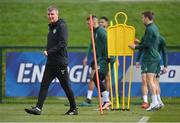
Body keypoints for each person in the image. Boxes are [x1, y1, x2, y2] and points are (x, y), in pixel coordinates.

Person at [24, 6, 78, 115]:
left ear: (57, 14)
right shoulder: (52, 27)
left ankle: (74, 109)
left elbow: (63, 43)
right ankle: (38, 109)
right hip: (51, 63)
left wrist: (49, 52)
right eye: (48, 14)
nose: (50, 16)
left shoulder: (62, 26)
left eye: (52, 14)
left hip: (60, 63)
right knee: (44, 84)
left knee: (66, 86)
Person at [129, 11, 161, 111]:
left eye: (143, 18)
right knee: (152, 81)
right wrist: (139, 42)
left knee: (149, 80)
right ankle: (157, 102)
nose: (142, 19)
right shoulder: (153, 27)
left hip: (150, 57)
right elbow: (148, 42)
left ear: (147, 18)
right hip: (154, 56)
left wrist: (136, 46)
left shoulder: (150, 29)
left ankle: (155, 102)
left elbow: (147, 45)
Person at [81, 16, 111, 107]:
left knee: (97, 78)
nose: (87, 26)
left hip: (105, 59)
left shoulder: (101, 31)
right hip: (99, 59)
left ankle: (106, 101)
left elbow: (109, 43)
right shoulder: (95, 32)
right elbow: (92, 44)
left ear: (93, 22)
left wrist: (107, 57)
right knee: (96, 78)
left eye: (88, 23)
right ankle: (104, 101)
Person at [136, 35, 168, 109]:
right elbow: (141, 48)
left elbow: (164, 52)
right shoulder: (145, 37)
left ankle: (158, 101)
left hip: (155, 61)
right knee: (144, 80)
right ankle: (145, 102)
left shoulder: (161, 39)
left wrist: (165, 66)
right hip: (145, 61)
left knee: (155, 81)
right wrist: (137, 60)